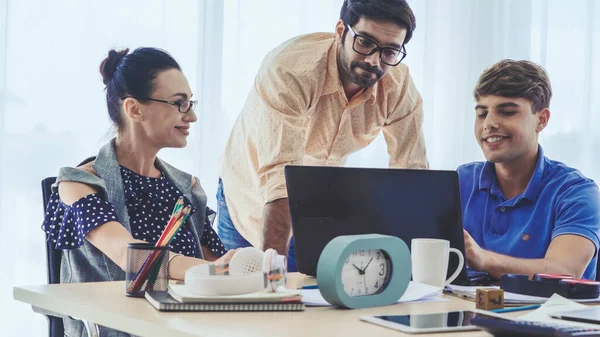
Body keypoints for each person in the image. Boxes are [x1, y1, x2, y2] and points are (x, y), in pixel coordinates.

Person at [217, 0, 428, 271]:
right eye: (364, 42)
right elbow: (280, 177)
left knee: (313, 304)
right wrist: (271, 282)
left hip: (313, 208)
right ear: (341, 30)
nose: (374, 60)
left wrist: (410, 269)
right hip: (249, 197)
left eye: (390, 51)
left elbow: (411, 178)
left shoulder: (398, 88)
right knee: (248, 300)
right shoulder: (290, 70)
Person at [42, 47, 236, 336]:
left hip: (184, 328)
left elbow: (217, 264)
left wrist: (246, 269)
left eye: (190, 103)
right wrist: (215, 271)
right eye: (179, 103)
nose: (192, 116)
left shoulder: (188, 189)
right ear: (134, 109)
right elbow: (131, 258)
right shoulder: (81, 184)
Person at [458, 59, 600, 280]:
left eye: (507, 112)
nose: (489, 123)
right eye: (482, 113)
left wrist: (484, 259)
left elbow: (566, 271)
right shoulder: (458, 181)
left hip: (547, 315)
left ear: (541, 120)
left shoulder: (577, 193)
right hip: (465, 313)